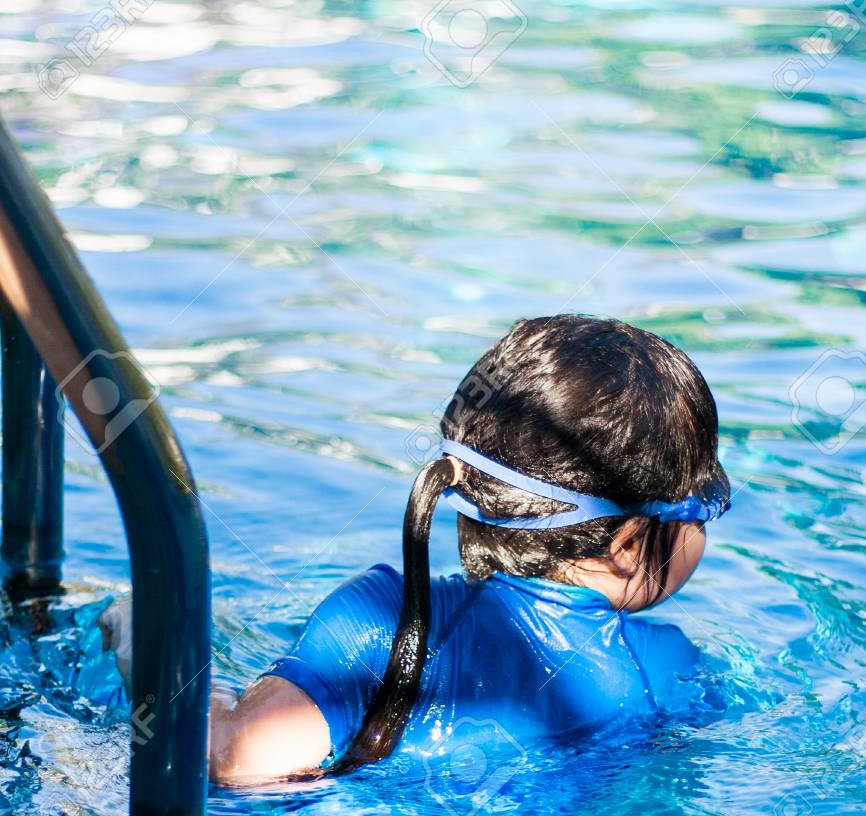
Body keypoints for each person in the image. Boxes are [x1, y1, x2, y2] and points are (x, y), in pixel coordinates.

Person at [104, 315, 730, 786]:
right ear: (627, 544)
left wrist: (145, 643)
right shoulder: (669, 670)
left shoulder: (376, 617)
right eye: (707, 509)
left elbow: (229, 758)